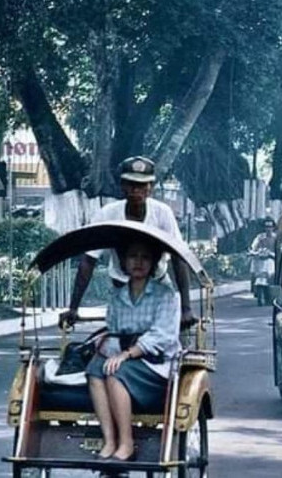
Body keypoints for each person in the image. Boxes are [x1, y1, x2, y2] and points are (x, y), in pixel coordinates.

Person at [61, 157, 196, 328]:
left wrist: (186, 308)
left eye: (142, 185)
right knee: (117, 339)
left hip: (158, 286)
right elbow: (88, 260)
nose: (136, 190)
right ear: (122, 186)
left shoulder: (162, 213)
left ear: (150, 188)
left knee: (174, 340)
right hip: (122, 290)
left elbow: (178, 257)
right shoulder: (108, 213)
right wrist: (74, 307)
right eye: (131, 184)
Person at [86, 237, 181, 461]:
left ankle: (126, 443)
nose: (138, 262)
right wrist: (107, 351)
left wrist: (127, 354)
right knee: (95, 369)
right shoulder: (117, 297)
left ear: (153, 262)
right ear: (123, 261)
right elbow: (114, 333)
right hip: (125, 357)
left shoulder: (165, 295)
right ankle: (110, 441)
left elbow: (163, 336)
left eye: (145, 257)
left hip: (156, 363)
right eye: (132, 256)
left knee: (115, 372)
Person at [249, 217, 277, 292]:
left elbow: (280, 247)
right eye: (267, 227)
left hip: (273, 259)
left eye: (270, 227)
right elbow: (254, 246)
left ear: (273, 227)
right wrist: (253, 252)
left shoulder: (276, 238)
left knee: (273, 274)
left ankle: (274, 288)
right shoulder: (260, 237)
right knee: (253, 270)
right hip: (261, 259)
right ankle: (253, 287)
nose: (268, 229)